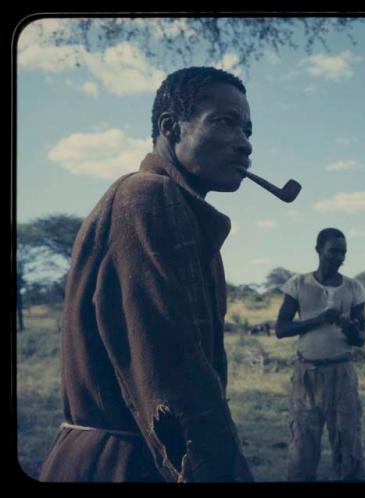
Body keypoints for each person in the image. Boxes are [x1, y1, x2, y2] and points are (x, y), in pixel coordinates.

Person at [39, 67, 254, 483]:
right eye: (225, 123)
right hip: (127, 464)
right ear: (170, 128)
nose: (245, 144)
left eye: (248, 130)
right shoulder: (151, 197)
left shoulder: (179, 209)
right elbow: (174, 374)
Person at [275, 228, 365, 481]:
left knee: (347, 441)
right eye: (333, 251)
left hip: (342, 373)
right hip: (307, 374)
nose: (339, 258)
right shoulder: (298, 284)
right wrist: (318, 320)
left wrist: (351, 330)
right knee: (303, 444)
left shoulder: (353, 288)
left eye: (343, 253)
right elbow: (281, 329)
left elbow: (361, 339)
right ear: (318, 250)